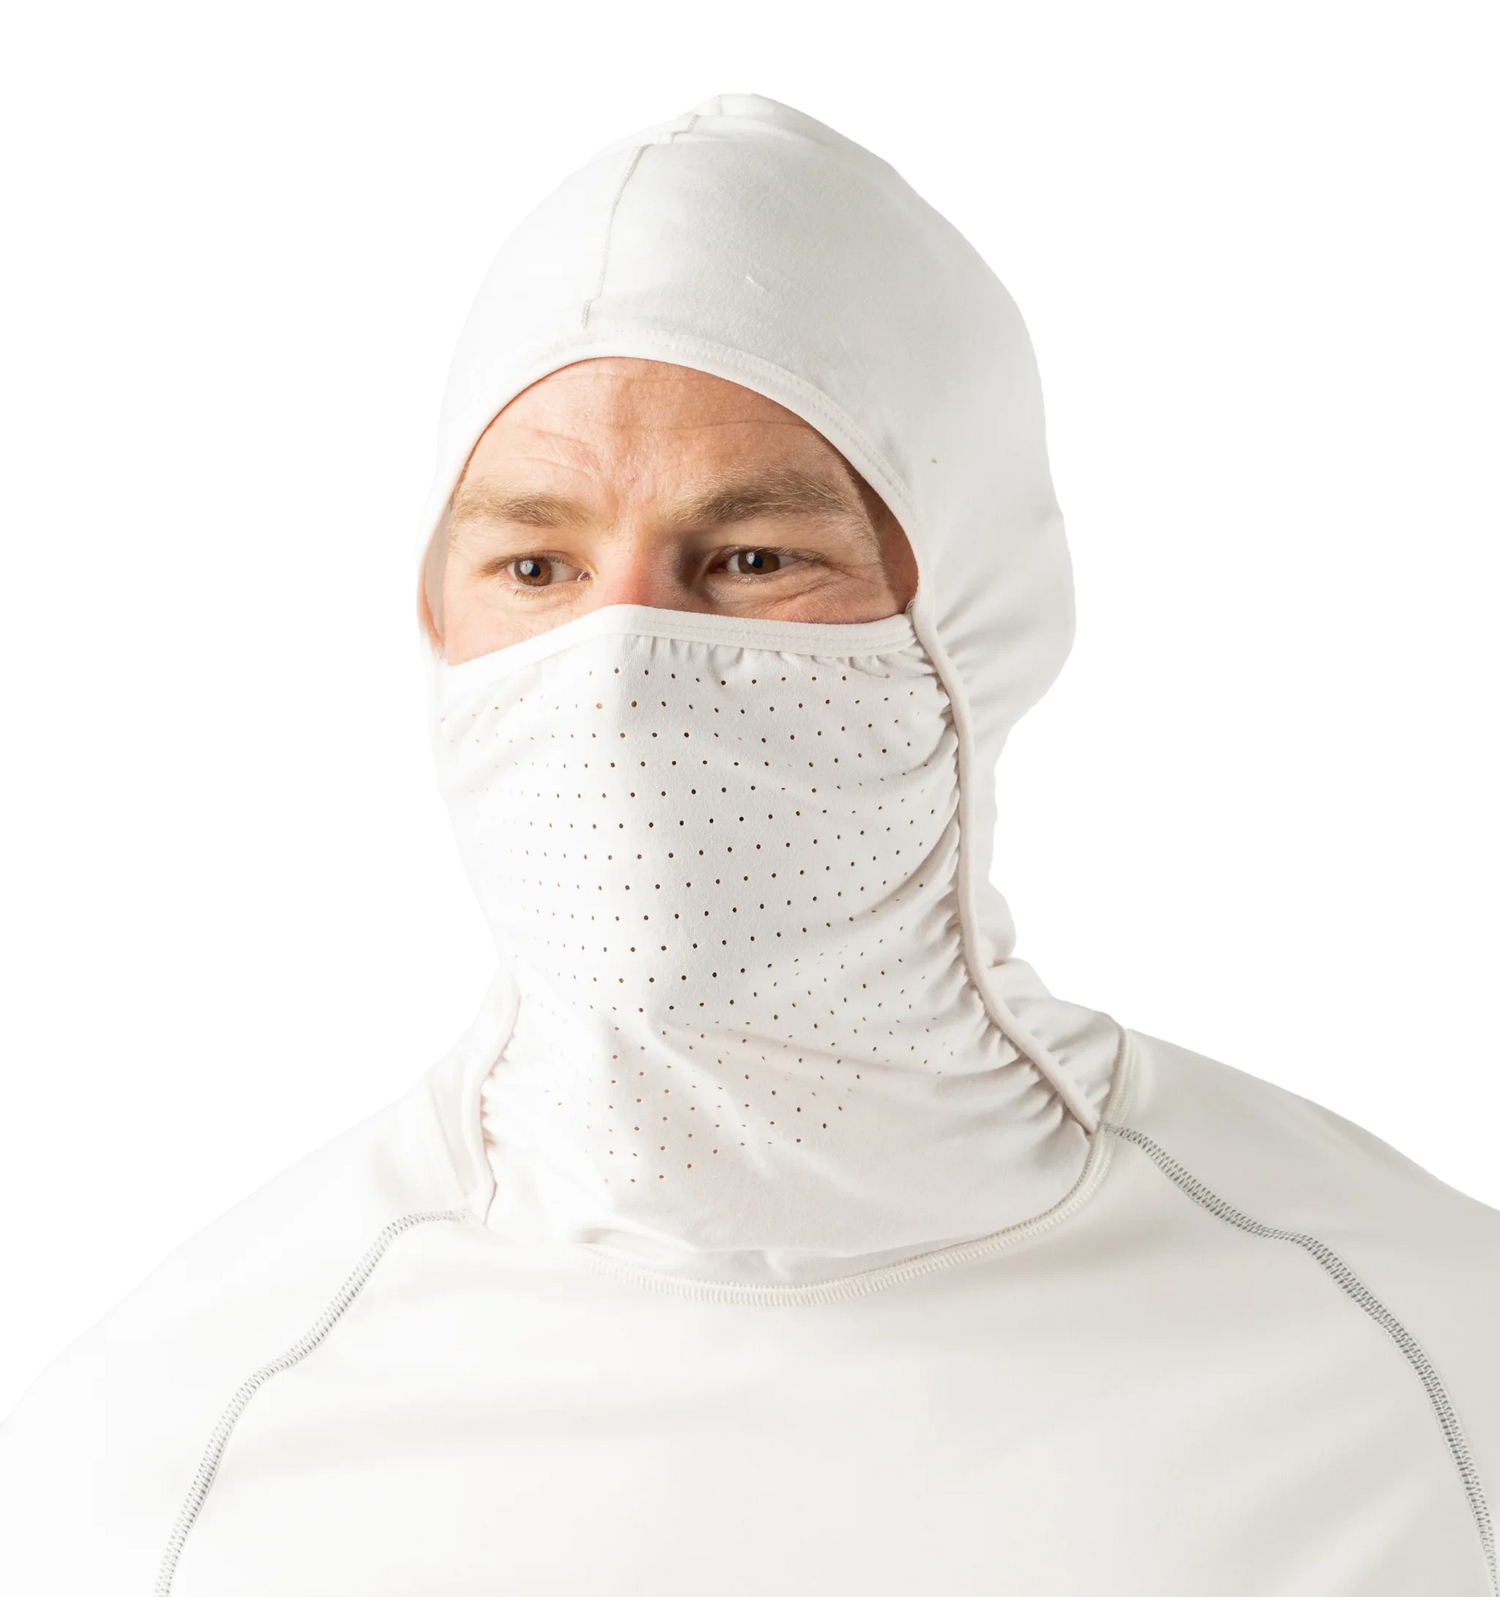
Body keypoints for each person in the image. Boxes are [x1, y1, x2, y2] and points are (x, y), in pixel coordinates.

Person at [2, 89, 1494, 1597]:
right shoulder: (156, 1457)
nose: (618, 674)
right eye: (536, 565)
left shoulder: (1427, 1377)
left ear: (984, 612)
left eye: (753, 558)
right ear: (433, 627)